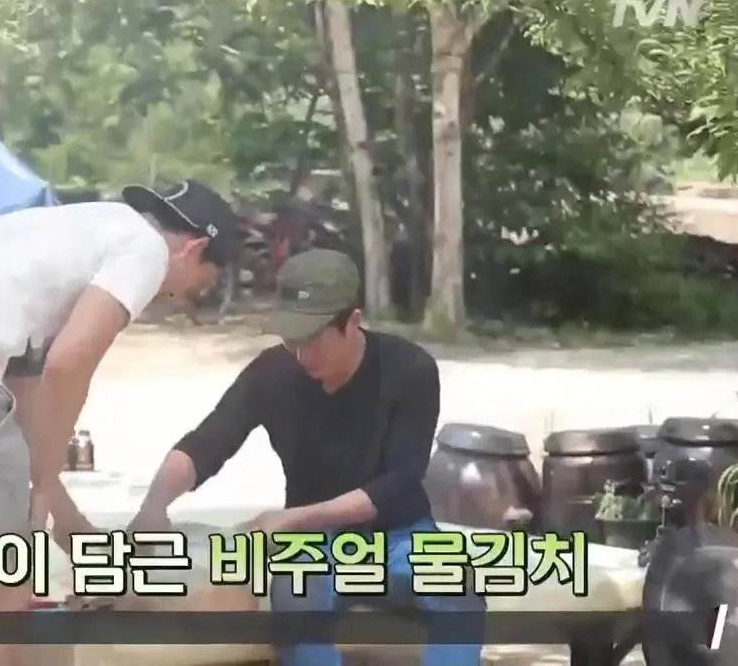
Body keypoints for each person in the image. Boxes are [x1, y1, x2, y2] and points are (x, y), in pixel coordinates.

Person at [0, 180, 241, 666]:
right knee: (4, 593)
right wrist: (46, 480)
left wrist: (66, 519)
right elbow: (69, 364)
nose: (176, 295)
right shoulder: (145, 249)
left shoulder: (75, 231)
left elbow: (27, 392)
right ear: (193, 247)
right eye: (196, 284)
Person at [127, 248, 485, 666]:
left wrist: (289, 519)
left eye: (313, 339)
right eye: (291, 339)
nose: (301, 355)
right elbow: (206, 443)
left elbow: (396, 482)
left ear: (352, 322)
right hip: (310, 543)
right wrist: (153, 506)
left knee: (461, 593)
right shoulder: (272, 372)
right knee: (296, 601)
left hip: (400, 534)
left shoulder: (410, 370)